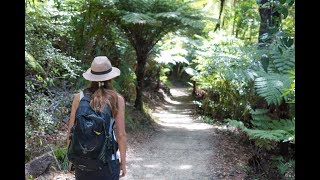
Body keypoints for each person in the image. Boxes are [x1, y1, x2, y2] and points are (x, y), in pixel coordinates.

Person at [67, 56, 127, 179]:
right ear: (111, 77)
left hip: (82, 160)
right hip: (107, 161)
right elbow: (121, 135)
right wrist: (123, 163)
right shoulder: (116, 99)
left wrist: (72, 159)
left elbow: (71, 131)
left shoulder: (79, 97)